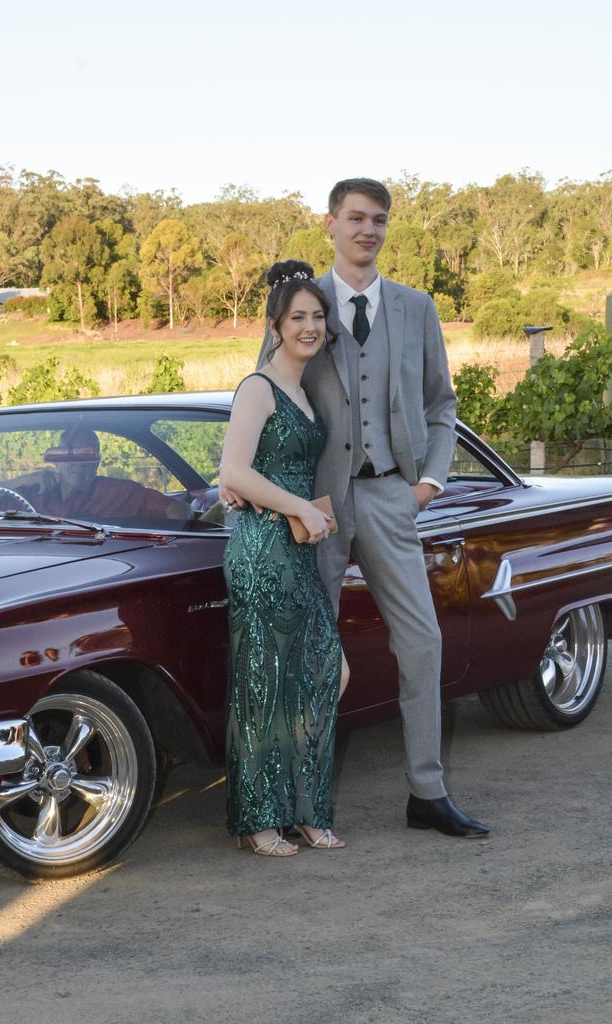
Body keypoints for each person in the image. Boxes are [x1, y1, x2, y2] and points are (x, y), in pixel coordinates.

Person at [223, 178, 489, 838]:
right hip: (313, 506)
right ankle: (290, 802)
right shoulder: (302, 302)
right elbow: (266, 391)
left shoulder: (416, 307)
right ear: (331, 224)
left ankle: (427, 792)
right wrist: (240, 478)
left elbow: (441, 406)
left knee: (422, 641)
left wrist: (427, 483)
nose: (367, 229)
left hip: (392, 495)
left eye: (378, 220)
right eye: (355, 218)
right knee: (305, 654)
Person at [220, 260, 348, 857]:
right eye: (298, 317)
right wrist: (304, 506)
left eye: (318, 317)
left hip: (294, 547)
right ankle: (260, 819)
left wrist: (308, 510)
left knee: (325, 672)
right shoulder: (258, 388)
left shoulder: (304, 387)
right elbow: (234, 471)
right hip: (261, 550)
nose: (310, 327)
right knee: (263, 685)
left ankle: (303, 808)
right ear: (274, 325)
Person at [0, 425, 189, 520]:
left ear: (96, 461)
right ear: (56, 460)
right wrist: (21, 480)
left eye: (87, 455)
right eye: (70, 456)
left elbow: (179, 511)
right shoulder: (27, 492)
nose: (78, 464)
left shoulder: (120, 493)